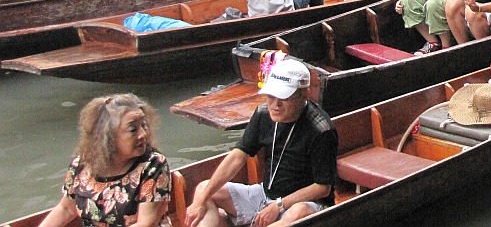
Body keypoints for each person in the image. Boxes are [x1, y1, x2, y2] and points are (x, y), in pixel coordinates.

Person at [186, 59, 338, 227]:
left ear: (304, 94)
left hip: (302, 203)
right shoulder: (263, 114)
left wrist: (279, 205)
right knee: (203, 191)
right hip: (265, 194)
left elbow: (323, 187)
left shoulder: (321, 129)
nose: (275, 105)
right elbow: (237, 156)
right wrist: (199, 202)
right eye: (271, 96)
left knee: (298, 213)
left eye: (284, 98)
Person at [39, 94, 171, 227]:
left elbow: (147, 223)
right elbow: (66, 208)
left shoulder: (153, 165)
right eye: (133, 130)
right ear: (108, 137)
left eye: (144, 125)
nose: (143, 134)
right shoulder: (81, 165)